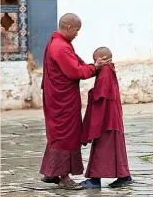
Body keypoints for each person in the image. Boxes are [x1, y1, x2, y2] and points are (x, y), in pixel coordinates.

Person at [40, 13, 111, 190]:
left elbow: (78, 66)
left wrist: (93, 67)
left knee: (57, 134)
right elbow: (75, 72)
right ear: (69, 28)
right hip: (62, 100)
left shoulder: (60, 43)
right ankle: (64, 177)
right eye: (77, 30)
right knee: (65, 135)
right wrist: (95, 67)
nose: (77, 34)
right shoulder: (61, 47)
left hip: (59, 98)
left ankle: (51, 172)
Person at [80, 47, 133, 189]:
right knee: (115, 147)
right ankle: (124, 176)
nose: (94, 63)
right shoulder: (109, 69)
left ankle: (95, 180)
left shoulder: (105, 72)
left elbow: (100, 94)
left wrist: (91, 93)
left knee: (102, 147)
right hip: (111, 115)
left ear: (103, 58)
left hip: (106, 118)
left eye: (95, 59)